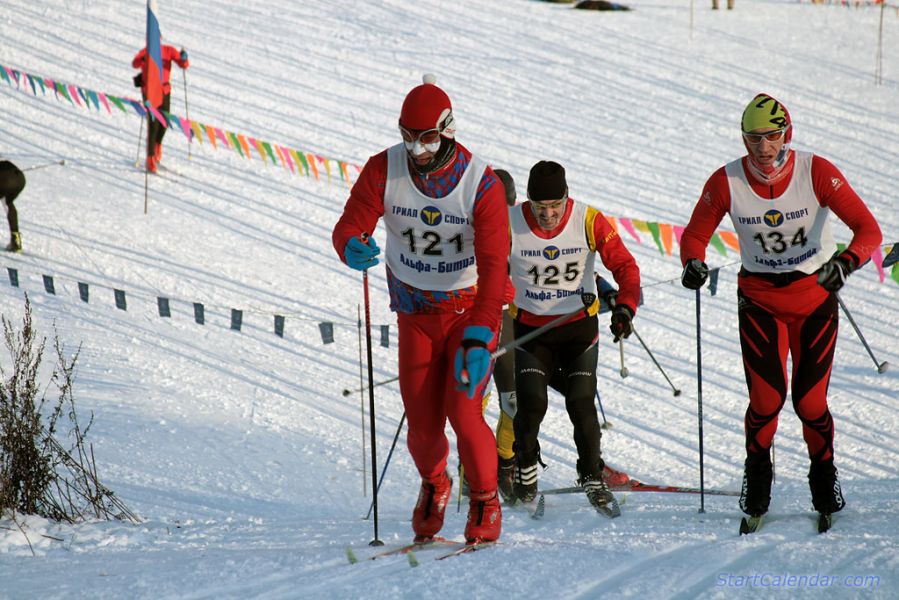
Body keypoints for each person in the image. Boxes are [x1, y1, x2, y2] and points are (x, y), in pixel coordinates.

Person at [680, 93, 882, 521]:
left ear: (787, 135)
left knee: (810, 403)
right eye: (754, 139)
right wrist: (693, 263)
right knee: (767, 399)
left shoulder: (817, 172)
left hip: (814, 299)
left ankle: (824, 481)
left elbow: (869, 231)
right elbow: (694, 235)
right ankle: (757, 480)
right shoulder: (726, 181)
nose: (763, 148)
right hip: (759, 301)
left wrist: (844, 264)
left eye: (772, 137)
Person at [331, 76, 510, 544]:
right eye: (408, 136)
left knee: (464, 413)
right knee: (422, 424)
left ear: (448, 129)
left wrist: (481, 333)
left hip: (469, 312)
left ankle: (486, 499)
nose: (417, 150)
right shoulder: (383, 169)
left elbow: (495, 271)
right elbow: (351, 221)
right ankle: (435, 484)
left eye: (427, 137)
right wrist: (348, 243)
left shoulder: (480, 185)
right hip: (415, 311)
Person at [508, 160, 641, 514]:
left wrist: (625, 307)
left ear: (567, 197)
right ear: (528, 202)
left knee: (581, 402)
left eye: (555, 206)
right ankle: (525, 468)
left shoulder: (588, 219)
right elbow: (485, 268)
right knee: (532, 403)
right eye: (540, 207)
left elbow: (626, 267)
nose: (548, 215)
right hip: (531, 332)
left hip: (578, 330)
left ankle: (592, 477)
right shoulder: (509, 223)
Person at [132, 41, 189, 173]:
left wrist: (184, 58)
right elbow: (135, 64)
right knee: (153, 124)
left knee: (164, 122)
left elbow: (183, 64)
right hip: (150, 91)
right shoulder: (146, 51)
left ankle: (157, 147)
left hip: (164, 91)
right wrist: (143, 58)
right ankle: (150, 158)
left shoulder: (168, 51)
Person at [0, 160, 26, 252]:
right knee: (8, 203)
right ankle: (16, 242)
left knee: (6, 202)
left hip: (4, 178)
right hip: (19, 179)